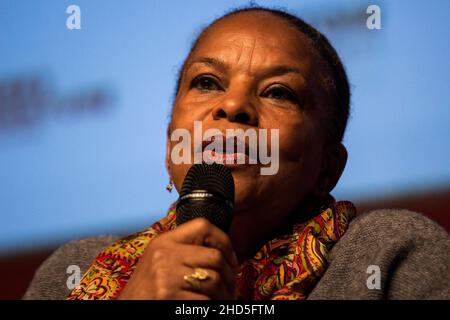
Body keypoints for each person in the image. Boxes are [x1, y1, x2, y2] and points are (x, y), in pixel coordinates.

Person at [24, 6, 450, 300]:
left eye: (278, 92)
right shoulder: (75, 269)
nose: (233, 106)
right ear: (170, 137)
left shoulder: (388, 252)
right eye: (207, 82)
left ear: (328, 167)